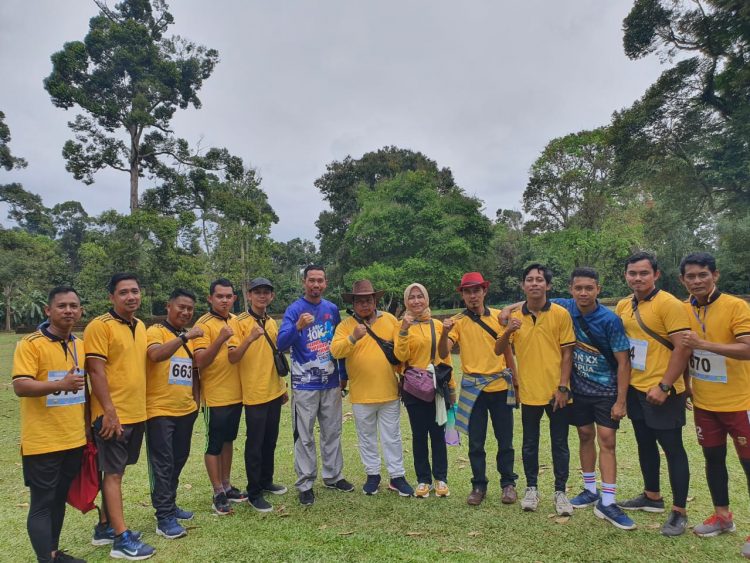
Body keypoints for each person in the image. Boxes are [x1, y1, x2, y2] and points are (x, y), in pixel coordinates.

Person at [500, 267, 635, 529]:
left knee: (604, 440)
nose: (583, 292)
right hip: (578, 390)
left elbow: (622, 362)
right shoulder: (567, 306)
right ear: (571, 290)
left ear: (598, 289)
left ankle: (607, 500)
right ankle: (588, 489)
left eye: (589, 288)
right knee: (584, 435)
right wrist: (507, 309)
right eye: (578, 288)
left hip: (599, 390)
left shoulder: (608, 320)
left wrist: (621, 399)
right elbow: (532, 298)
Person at [614, 252, 692, 536]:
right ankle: (652, 496)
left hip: (664, 391)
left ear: (656, 274)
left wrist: (665, 385)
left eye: (643, 273)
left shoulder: (669, 304)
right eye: (632, 273)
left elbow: (683, 348)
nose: (637, 278)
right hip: (637, 389)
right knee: (644, 444)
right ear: (626, 275)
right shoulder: (624, 304)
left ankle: (679, 511)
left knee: (673, 450)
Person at [677, 252, 750, 557]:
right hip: (705, 403)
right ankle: (723, 517)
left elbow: (747, 348)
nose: (696, 281)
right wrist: (687, 386)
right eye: (690, 276)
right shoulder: (681, 310)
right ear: (682, 280)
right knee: (713, 460)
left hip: (740, 402)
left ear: (715, 275)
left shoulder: (736, 306)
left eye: (702, 275)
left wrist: (704, 344)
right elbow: (682, 352)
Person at [13, 286, 88, 563]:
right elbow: (21, 386)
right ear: (48, 311)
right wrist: (60, 385)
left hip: (73, 438)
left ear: (80, 311)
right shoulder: (31, 344)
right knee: (42, 503)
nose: (69, 310)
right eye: (62, 306)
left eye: (73, 306)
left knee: (59, 499)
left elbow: (82, 391)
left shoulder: (79, 345)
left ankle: (53, 553)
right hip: (43, 442)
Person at [495, 264, 576, 516]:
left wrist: (563, 387)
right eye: (529, 280)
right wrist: (508, 329)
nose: (534, 284)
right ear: (522, 286)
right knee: (529, 443)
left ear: (548, 285)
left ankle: (561, 492)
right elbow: (499, 350)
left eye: (539, 280)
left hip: (557, 392)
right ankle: (531, 488)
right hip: (529, 391)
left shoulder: (561, 314)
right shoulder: (514, 317)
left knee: (559, 443)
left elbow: (567, 353)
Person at [85, 273, 155, 559]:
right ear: (111, 297)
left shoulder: (140, 325)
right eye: (123, 292)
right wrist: (110, 413)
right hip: (112, 417)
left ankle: (105, 526)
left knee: (117, 472)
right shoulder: (99, 326)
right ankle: (121, 539)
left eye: (135, 291)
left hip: (135, 413)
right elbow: (96, 371)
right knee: (112, 475)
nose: (131, 297)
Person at [438, 272, 519, 507]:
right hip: (474, 387)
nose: (473, 296)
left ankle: (508, 483)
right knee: (476, 441)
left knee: (505, 439)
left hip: (500, 385)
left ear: (484, 291)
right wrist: (444, 332)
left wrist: (516, 381)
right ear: (462, 295)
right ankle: (478, 485)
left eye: (476, 290)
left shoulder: (499, 317)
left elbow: (507, 352)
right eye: (468, 291)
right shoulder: (457, 322)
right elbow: (444, 353)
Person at [277, 265, 353, 506]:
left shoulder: (331, 309)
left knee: (332, 432)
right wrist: (298, 326)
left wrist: (343, 375)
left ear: (326, 283)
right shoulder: (294, 310)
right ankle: (305, 483)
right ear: (304, 282)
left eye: (320, 280)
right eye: (312, 280)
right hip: (304, 384)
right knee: (304, 436)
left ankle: (333, 476)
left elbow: (339, 346)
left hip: (330, 382)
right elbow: (280, 343)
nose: (316, 285)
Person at [331, 279, 414, 497]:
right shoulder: (345, 325)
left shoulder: (389, 321)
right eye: (360, 301)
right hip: (361, 394)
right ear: (354, 303)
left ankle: (397, 476)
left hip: (388, 390)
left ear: (375, 300)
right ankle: (373, 475)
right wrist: (353, 338)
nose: (365, 305)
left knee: (392, 436)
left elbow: (401, 351)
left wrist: (405, 330)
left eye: (368, 300)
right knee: (366, 437)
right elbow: (336, 351)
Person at [145, 289, 203, 539]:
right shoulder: (155, 331)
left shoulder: (185, 337)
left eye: (190, 309)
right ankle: (164, 517)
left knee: (178, 459)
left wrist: (195, 402)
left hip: (185, 410)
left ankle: (171, 504)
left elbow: (193, 372)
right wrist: (185, 337)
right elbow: (155, 355)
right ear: (168, 306)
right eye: (181, 307)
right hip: (159, 411)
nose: (186, 312)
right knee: (163, 463)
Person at [228, 278, 289, 513]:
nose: (262, 296)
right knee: (254, 443)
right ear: (249, 296)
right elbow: (233, 357)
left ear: (271, 297)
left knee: (270, 440)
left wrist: (282, 387)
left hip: (274, 389)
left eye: (266, 292)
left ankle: (266, 480)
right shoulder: (239, 322)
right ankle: (254, 491)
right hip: (254, 392)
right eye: (257, 292)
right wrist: (250, 338)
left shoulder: (272, 322)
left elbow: (275, 357)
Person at [395, 283, 456, 498]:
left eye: (420, 296)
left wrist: (452, 388)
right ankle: (423, 480)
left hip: (436, 386)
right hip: (413, 387)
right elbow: (401, 356)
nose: (416, 301)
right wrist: (403, 330)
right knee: (419, 435)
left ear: (427, 299)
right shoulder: (402, 325)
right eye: (411, 297)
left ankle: (441, 478)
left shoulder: (437, 325)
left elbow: (445, 357)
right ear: (406, 302)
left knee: (437, 434)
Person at [193, 279, 245, 515]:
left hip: (236, 393)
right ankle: (217, 492)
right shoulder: (203, 324)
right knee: (214, 444)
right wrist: (220, 339)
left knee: (228, 441)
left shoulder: (236, 320)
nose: (224, 300)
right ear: (210, 298)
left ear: (234, 298)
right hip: (215, 396)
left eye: (228, 296)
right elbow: (200, 361)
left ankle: (227, 484)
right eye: (219, 296)